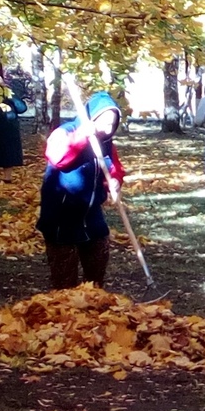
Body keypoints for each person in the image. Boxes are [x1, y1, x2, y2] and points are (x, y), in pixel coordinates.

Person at [36, 91, 125, 289]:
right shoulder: (66, 132)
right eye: (105, 123)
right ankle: (65, 309)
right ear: (92, 118)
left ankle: (92, 303)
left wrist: (115, 181)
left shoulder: (107, 143)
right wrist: (81, 137)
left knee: (98, 259)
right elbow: (57, 156)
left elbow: (114, 168)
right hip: (61, 214)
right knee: (64, 275)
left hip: (91, 214)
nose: (108, 129)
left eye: (113, 124)